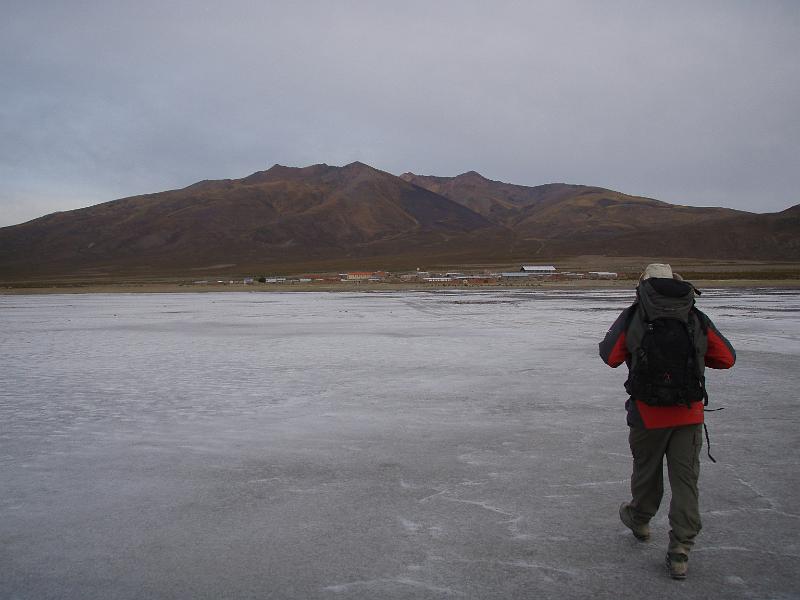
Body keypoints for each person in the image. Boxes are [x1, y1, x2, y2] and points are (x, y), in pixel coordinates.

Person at [599, 263, 736, 579]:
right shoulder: (694, 317)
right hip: (688, 413)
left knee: (647, 473)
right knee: (685, 481)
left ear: (643, 286)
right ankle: (680, 551)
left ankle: (640, 519)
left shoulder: (635, 315)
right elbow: (727, 358)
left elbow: (610, 356)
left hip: (647, 412)